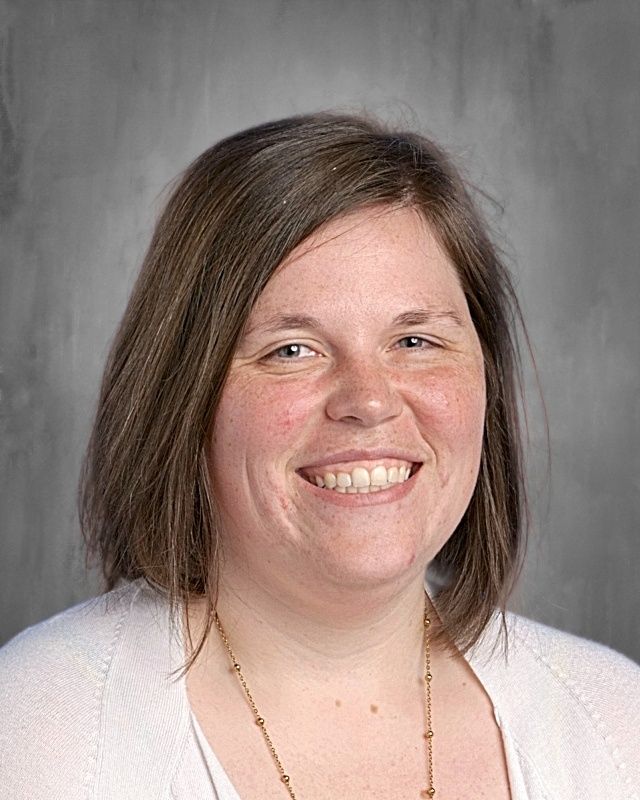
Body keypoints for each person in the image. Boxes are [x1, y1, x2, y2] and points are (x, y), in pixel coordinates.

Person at [0, 112, 638, 800]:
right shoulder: (40, 735)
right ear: (183, 397)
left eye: (416, 341)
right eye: (291, 350)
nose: (368, 401)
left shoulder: (614, 727)